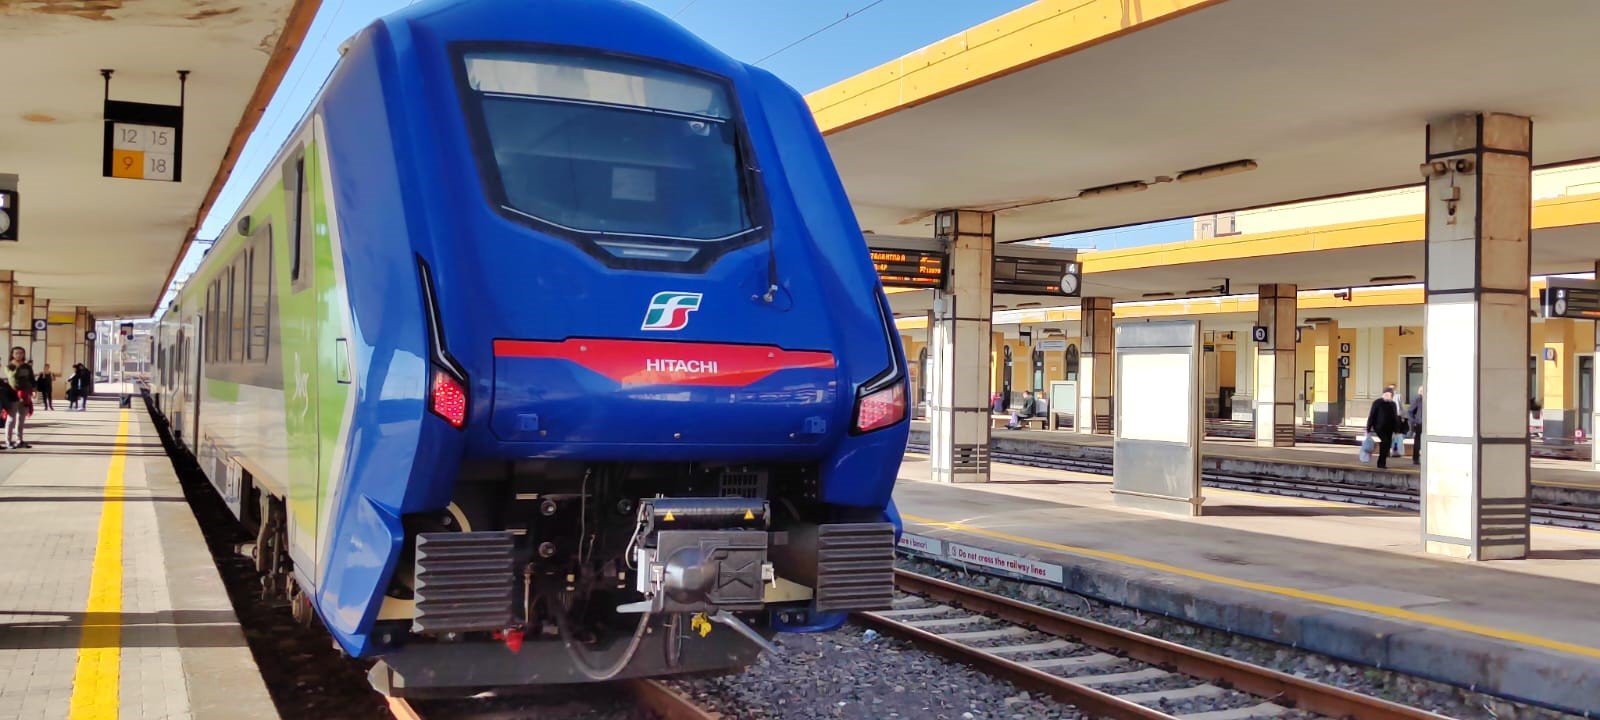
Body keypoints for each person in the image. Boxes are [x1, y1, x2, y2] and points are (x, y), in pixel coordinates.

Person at [1365, 386, 1400, 469]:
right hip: (1379, 427)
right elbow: (1372, 415)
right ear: (1384, 394)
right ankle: (1381, 463)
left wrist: (1396, 429)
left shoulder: (1393, 404)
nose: (1389, 396)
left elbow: (1395, 417)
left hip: (1390, 428)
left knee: (1387, 445)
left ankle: (1382, 463)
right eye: (1387, 394)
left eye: (1390, 395)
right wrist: (1368, 428)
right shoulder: (1377, 402)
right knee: (1385, 442)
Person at [6, 347, 34, 449]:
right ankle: (8, 441)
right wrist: (17, 367)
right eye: (16, 353)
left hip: (25, 394)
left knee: (21, 418)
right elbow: (12, 379)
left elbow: (31, 378)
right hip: (14, 394)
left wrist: (34, 390)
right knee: (11, 418)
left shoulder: (27, 366)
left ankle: (19, 440)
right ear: (12, 354)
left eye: (21, 353)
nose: (19, 355)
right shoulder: (9, 366)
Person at [1408, 386, 1424, 465]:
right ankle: (1416, 458)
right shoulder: (1417, 399)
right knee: (1418, 442)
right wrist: (1414, 421)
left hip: (1428, 424)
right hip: (1419, 424)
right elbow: (1410, 412)